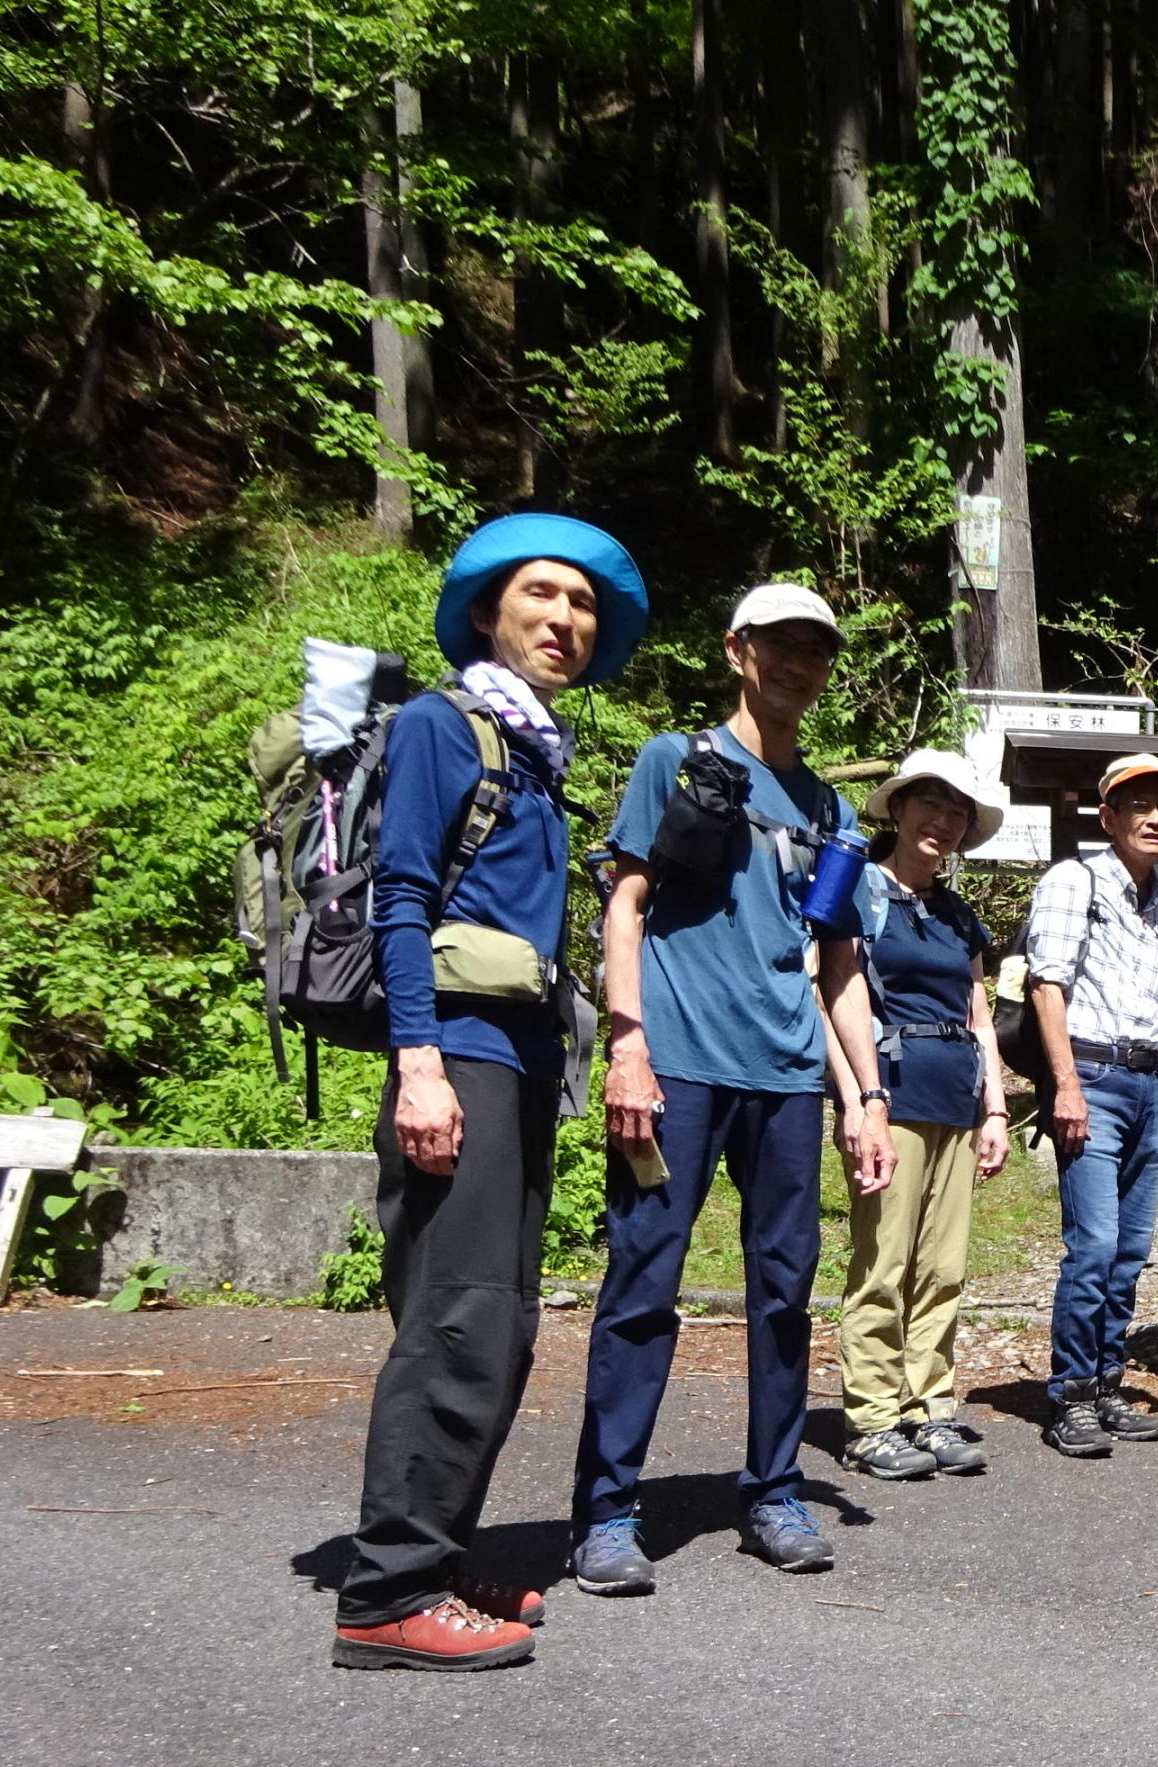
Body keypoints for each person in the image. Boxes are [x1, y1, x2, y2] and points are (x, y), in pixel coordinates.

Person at [332, 515, 648, 1672]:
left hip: (513, 1065)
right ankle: (383, 1598)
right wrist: (417, 1064)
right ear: (485, 610)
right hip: (456, 1056)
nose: (565, 620)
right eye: (543, 596)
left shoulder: (531, 750)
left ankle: (436, 1551)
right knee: (457, 1320)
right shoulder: (439, 726)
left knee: (500, 1322)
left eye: (582, 608)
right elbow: (401, 900)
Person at [570, 583, 893, 1594]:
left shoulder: (831, 807)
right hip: (680, 1064)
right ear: (738, 650)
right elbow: (625, 909)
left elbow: (836, 963)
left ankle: (773, 1490)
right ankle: (608, 1511)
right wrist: (627, 1044)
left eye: (818, 651)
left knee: (785, 1290)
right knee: (643, 1282)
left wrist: (866, 1096)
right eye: (782, 646)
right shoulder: (679, 760)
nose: (802, 665)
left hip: (788, 1074)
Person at [816, 751, 1014, 1480]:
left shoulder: (956, 912)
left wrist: (995, 1104)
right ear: (896, 810)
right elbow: (827, 993)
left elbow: (979, 1012)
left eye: (957, 810)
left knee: (942, 1266)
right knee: (884, 1259)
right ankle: (870, 1414)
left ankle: (928, 1402)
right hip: (888, 1097)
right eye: (929, 802)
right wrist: (852, 1099)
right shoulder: (859, 890)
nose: (943, 819)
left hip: (956, 1099)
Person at [1023, 753, 1158, 1459]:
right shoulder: (1075, 880)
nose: (1156, 818)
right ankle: (1070, 1393)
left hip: (1147, 1083)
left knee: (1130, 1250)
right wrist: (1064, 1085)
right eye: (1140, 806)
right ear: (1108, 817)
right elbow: (1047, 985)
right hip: (1092, 1077)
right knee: (1094, 1244)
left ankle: (1106, 1383)